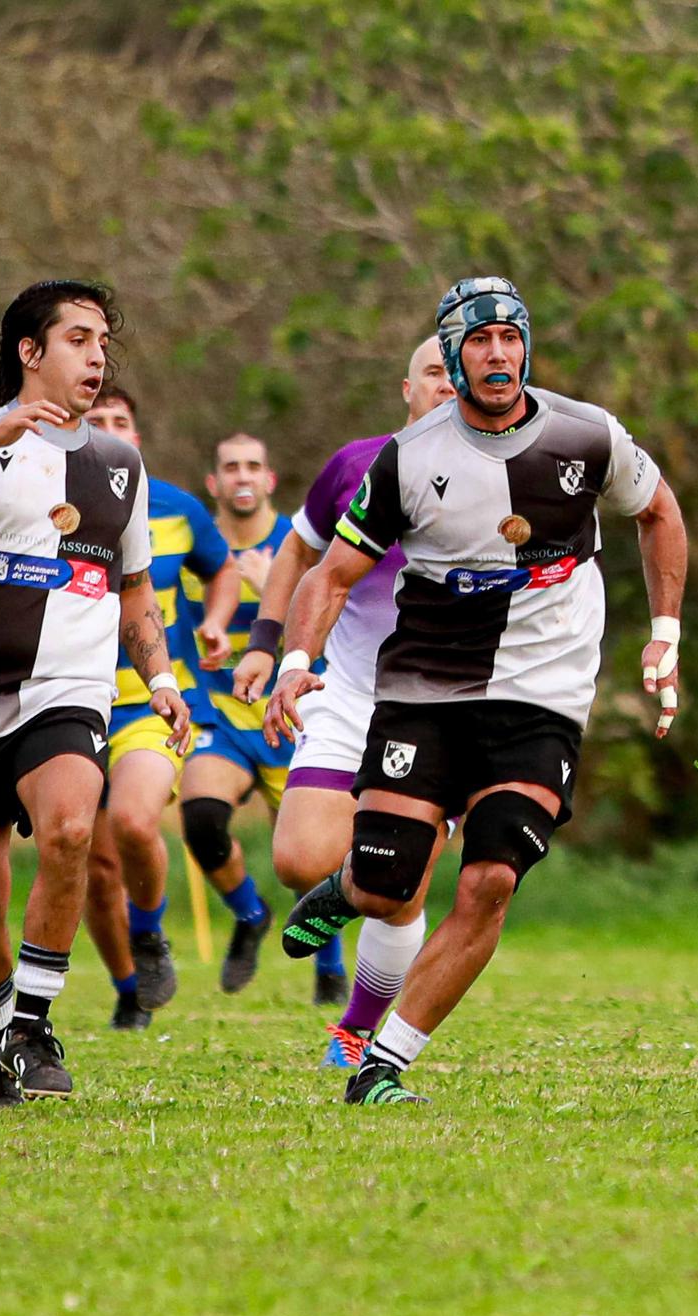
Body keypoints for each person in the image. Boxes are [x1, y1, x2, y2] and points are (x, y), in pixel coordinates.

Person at [269, 276, 688, 1105]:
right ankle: (348, 887)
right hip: (427, 688)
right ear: (451, 358)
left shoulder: (586, 434)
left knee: (492, 876)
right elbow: (330, 573)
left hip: (542, 697)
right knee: (392, 882)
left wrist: (665, 633)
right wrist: (293, 662)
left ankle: (382, 1064)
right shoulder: (409, 460)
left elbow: (660, 512)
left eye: (510, 338)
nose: (498, 355)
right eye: (478, 342)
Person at [0, 279, 191, 1105]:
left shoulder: (120, 464)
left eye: (101, 341)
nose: (96, 355)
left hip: (69, 691)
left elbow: (135, 585)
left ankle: (36, 1022)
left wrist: (159, 677)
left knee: (72, 829)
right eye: (79, 339)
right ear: (30, 351)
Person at [231, 335, 457, 1066]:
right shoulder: (358, 465)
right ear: (406, 388)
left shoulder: (516, 475)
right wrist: (269, 644)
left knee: (402, 885)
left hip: (448, 705)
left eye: (459, 375)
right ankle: (347, 886)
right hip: (351, 687)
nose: (448, 385)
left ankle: (356, 1031)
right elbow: (299, 553)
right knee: (300, 859)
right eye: (433, 373)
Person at [77, 388, 239, 1028]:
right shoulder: (48, 503)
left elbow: (221, 568)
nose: (110, 430)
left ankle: (148, 935)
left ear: (136, 438)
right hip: (72, 699)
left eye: (121, 422)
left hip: (148, 698)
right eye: (97, 421)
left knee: (136, 824)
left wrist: (217, 623)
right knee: (93, 864)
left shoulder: (175, 508)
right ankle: (126, 988)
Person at [177, 434, 349, 1002]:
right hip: (224, 719)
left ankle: (330, 969)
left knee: (315, 858)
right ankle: (250, 914)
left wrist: (268, 587)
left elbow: (336, 619)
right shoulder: (197, 551)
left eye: (254, 465)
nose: (242, 476)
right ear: (215, 482)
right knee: (200, 818)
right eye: (230, 467)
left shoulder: (298, 545)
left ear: (270, 479)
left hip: (294, 716)